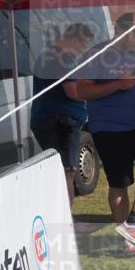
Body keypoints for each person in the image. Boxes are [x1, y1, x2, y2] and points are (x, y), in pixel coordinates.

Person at [76, 14, 135, 254]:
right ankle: (127, 240)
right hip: (109, 130)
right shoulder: (97, 55)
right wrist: (117, 84)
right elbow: (82, 89)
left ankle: (132, 223)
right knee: (119, 183)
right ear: (120, 30)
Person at [30, 22, 95, 204]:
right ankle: (66, 219)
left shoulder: (45, 56)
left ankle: (61, 213)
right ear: (73, 40)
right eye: (83, 44)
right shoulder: (64, 59)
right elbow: (73, 92)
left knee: (58, 170)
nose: (83, 49)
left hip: (44, 118)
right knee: (67, 171)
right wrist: (95, 94)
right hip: (62, 121)